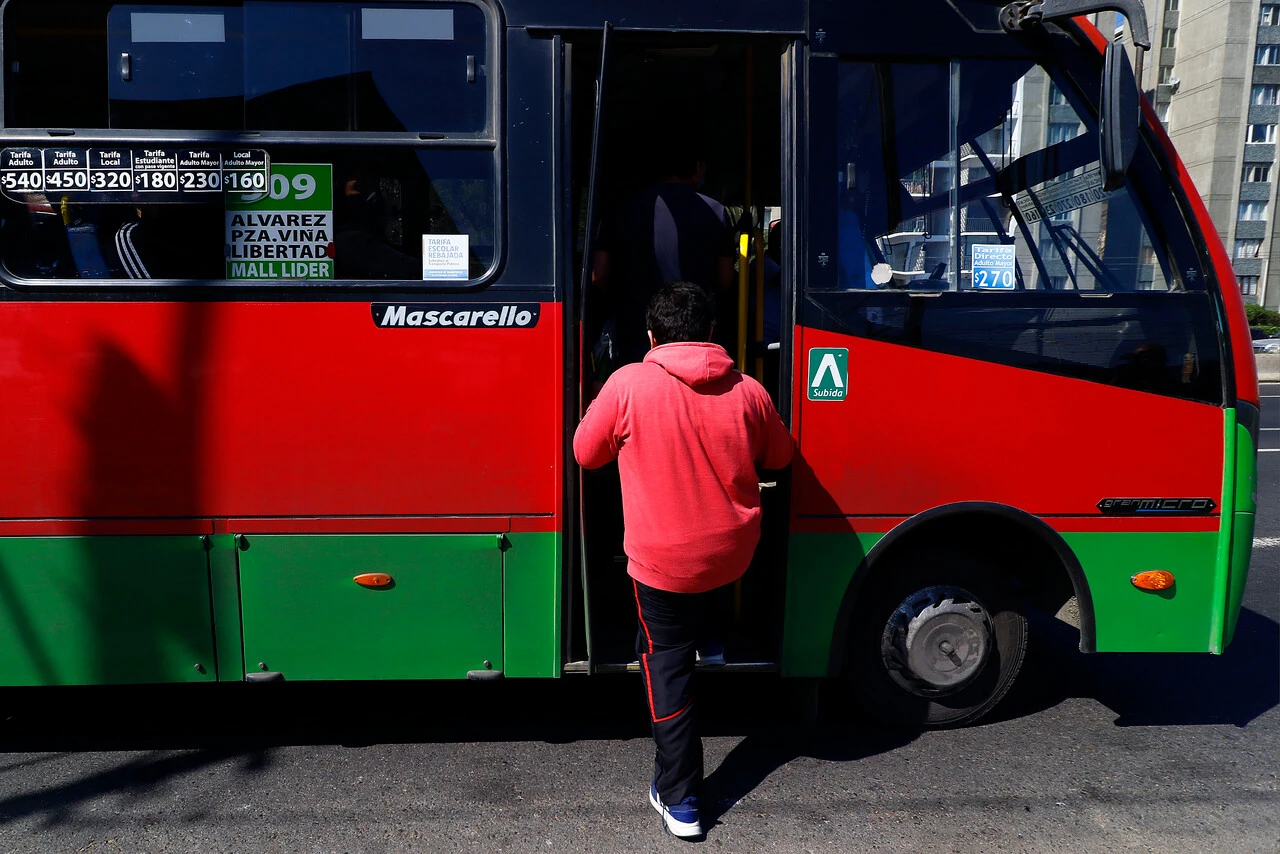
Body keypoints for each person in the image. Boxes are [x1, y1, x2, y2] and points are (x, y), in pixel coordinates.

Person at [572, 282, 793, 838]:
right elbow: (781, 456)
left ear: (651, 335)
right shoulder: (748, 390)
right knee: (706, 585)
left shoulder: (628, 383)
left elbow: (585, 453)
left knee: (666, 665)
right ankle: (712, 635)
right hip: (731, 556)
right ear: (712, 333)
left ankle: (682, 798)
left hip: (664, 564)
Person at [590, 140, 736, 366]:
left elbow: (598, 276)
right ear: (698, 167)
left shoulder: (620, 209)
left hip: (635, 330)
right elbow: (725, 279)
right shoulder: (715, 211)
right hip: (694, 331)